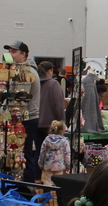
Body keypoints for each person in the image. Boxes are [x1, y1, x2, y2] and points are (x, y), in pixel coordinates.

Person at [5, 41, 42, 182]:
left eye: (14, 52)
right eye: (10, 52)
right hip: (26, 117)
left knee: (24, 153)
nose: (11, 55)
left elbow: (20, 99)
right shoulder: (22, 70)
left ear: (23, 54)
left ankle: (27, 186)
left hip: (26, 118)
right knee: (24, 152)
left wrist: (9, 115)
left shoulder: (26, 72)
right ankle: (26, 184)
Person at [37, 61, 65, 147]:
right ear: (50, 71)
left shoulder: (36, 84)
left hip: (36, 122)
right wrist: (62, 121)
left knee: (39, 149)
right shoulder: (53, 84)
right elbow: (59, 104)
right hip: (51, 124)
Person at [39, 120, 71, 186]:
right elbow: (67, 154)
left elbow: (42, 152)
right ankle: (58, 192)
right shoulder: (64, 141)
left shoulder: (47, 139)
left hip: (48, 165)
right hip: (60, 166)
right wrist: (68, 165)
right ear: (62, 130)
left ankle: (46, 192)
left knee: (47, 182)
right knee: (59, 183)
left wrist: (41, 164)